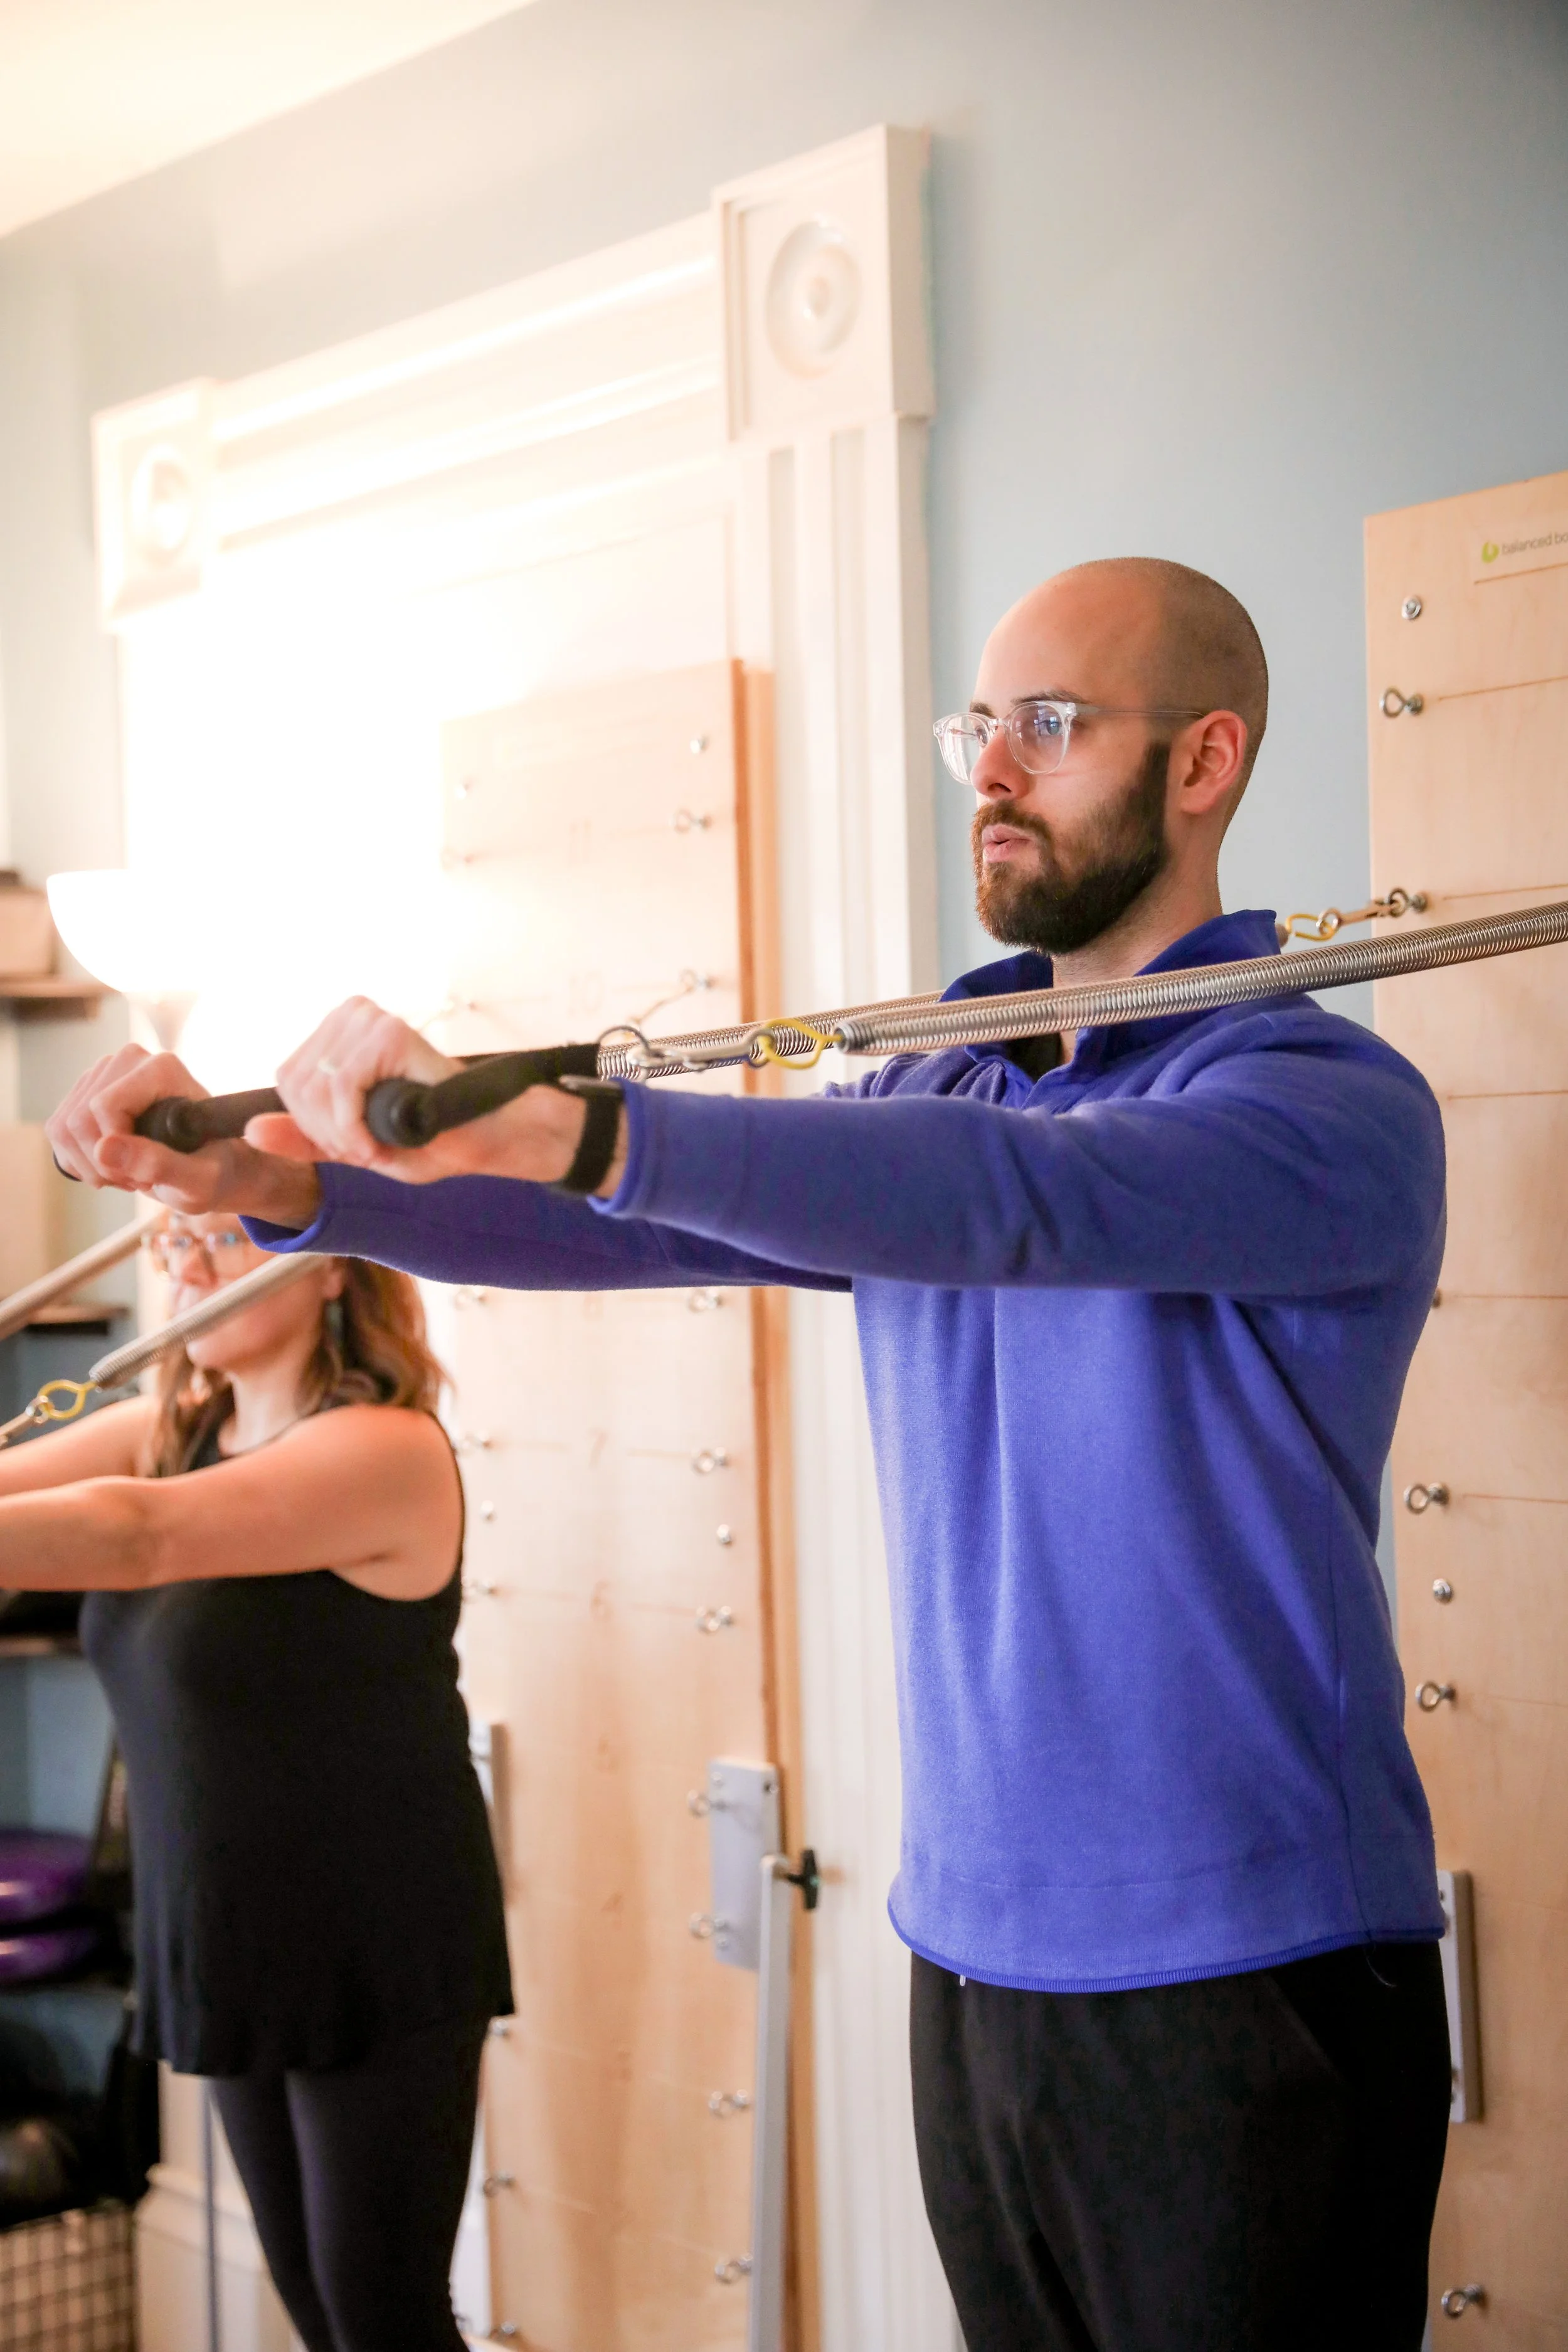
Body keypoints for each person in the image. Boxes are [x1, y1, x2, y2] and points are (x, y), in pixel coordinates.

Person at [50, 558, 1451, 2352]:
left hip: (1253, 1967)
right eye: (976, 728)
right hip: (976, 1955)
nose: (991, 771)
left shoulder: (1319, 1107)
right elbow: (652, 1228)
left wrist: (595, 1127)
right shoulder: (945, 1092)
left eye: (1048, 723)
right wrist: (288, 1187)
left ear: (1202, 762)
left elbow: (1024, 1207)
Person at [0, 1212, 512, 2352]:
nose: (184, 1261)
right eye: (172, 1237)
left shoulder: (383, 1448)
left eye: (222, 1235)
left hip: (374, 1927)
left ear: (327, 1257)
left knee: (384, 2319)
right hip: (230, 1927)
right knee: (320, 2309)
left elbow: (134, 1538)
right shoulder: (170, 1428)